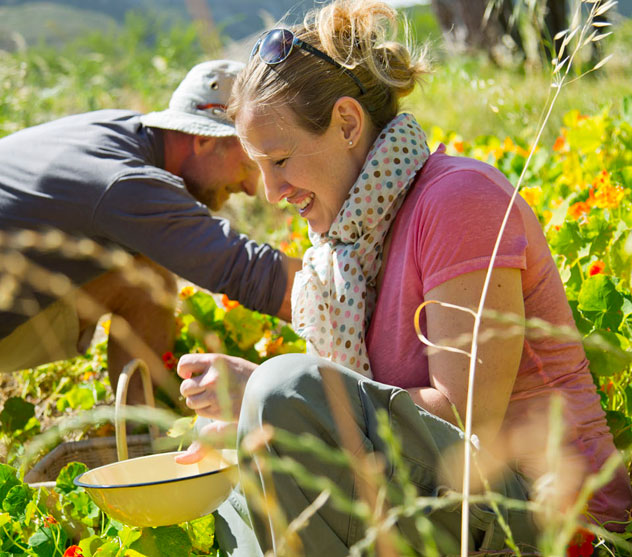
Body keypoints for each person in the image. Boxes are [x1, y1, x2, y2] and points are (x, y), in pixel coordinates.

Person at [176, 2, 632, 555]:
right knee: (234, 485)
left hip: (549, 517)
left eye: (280, 160)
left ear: (347, 122)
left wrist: (277, 395)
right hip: (452, 502)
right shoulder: (349, 243)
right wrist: (255, 408)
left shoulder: (457, 199)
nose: (271, 194)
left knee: (280, 397)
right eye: (258, 166)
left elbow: (469, 419)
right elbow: (359, 403)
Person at [0, 59, 300, 405]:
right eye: (249, 165)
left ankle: (137, 434)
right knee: (148, 281)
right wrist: (349, 308)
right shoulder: (125, 183)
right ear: (203, 140)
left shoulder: (118, 130)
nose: (252, 188)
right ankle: (141, 443)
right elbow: (247, 271)